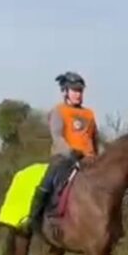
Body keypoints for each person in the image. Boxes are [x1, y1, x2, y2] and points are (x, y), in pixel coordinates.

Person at [28, 71, 101, 236]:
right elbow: (57, 136)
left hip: (89, 159)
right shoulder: (58, 111)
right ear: (65, 92)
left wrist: (100, 156)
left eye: (80, 91)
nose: (78, 94)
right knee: (48, 181)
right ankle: (34, 218)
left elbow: (95, 138)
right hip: (64, 157)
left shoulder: (89, 114)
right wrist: (70, 152)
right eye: (74, 90)